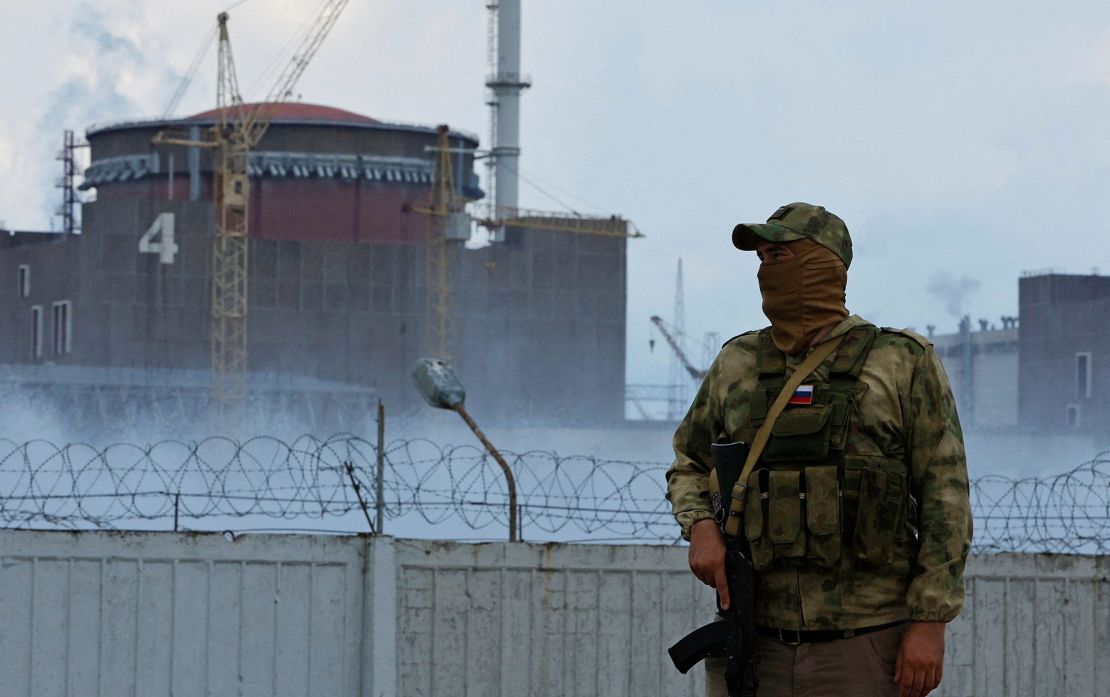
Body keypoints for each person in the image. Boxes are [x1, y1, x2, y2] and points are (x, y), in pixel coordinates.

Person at [665, 202, 972, 697]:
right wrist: (700, 524)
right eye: (761, 258)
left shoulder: (900, 361)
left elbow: (946, 497)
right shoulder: (738, 362)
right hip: (755, 638)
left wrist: (930, 622)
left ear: (824, 265)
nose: (767, 270)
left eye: (780, 255)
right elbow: (689, 461)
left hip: (865, 643)